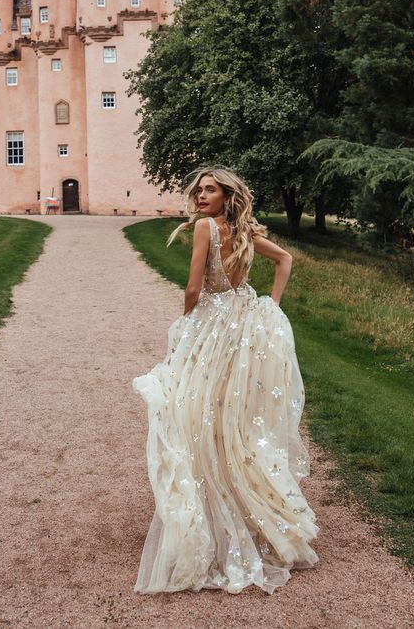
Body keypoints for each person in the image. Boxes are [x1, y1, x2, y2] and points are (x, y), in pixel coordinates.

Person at [132, 166, 319, 595]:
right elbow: (285, 260)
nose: (201, 196)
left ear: (225, 195)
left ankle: (214, 510)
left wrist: (184, 324)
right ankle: (241, 507)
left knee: (193, 412)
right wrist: (269, 306)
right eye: (198, 190)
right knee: (230, 417)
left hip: (211, 326)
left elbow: (194, 288)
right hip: (242, 323)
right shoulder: (244, 230)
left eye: (210, 190)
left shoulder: (205, 230)